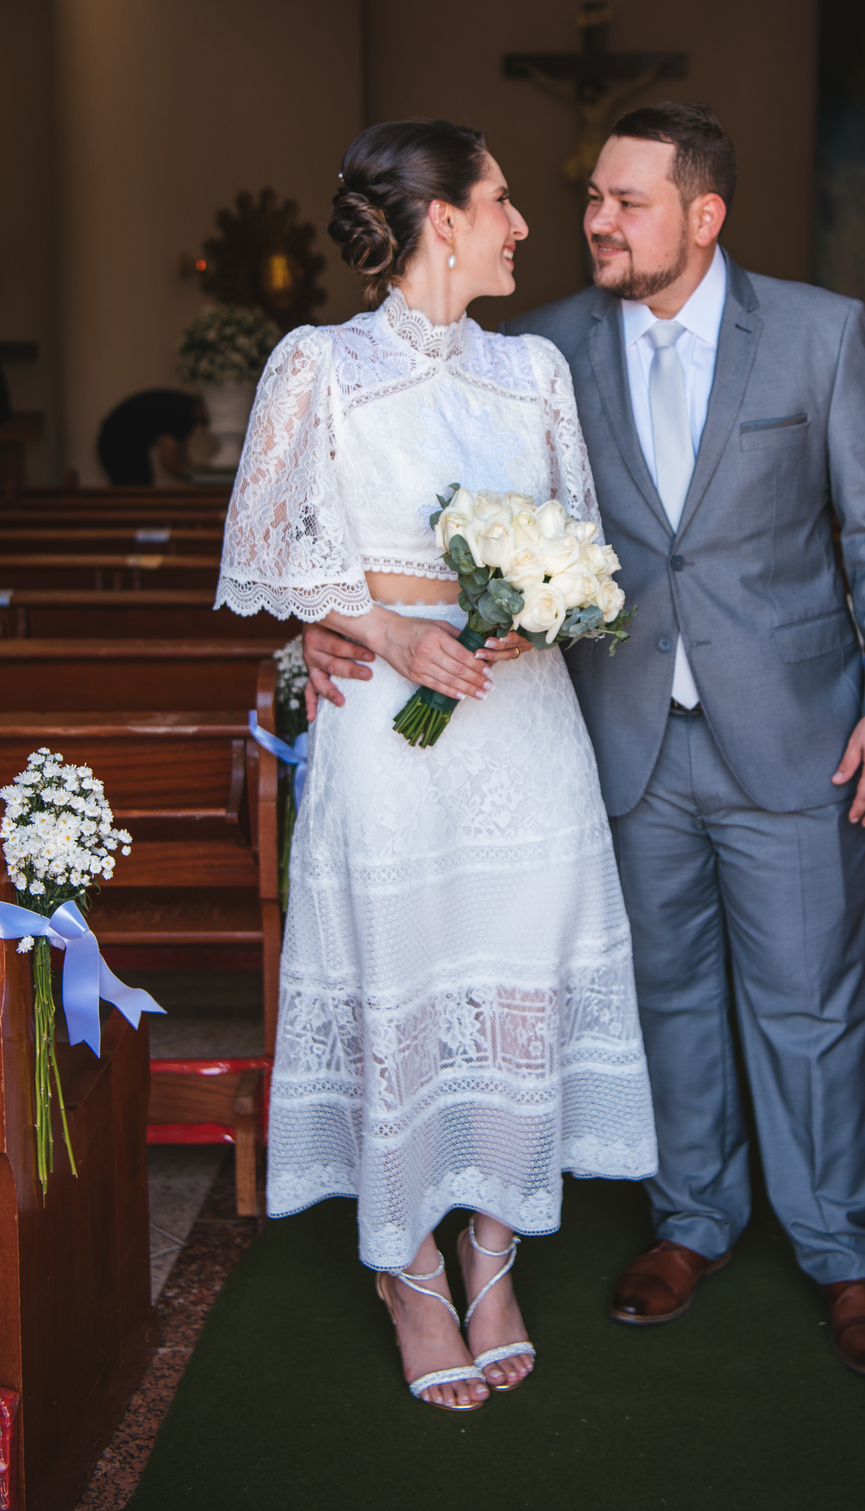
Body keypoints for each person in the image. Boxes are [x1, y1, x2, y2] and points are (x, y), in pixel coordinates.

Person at [305, 102, 865, 1380]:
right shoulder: (537, 348)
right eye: (591, 197)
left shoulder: (817, 334)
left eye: (626, 202)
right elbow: (423, 518)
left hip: (795, 732)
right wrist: (332, 625)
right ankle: (693, 1220)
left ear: (705, 215)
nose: (595, 220)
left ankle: (842, 1247)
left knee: (813, 1002)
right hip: (617, 735)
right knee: (667, 998)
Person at [215, 120, 656, 1411]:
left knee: (522, 973)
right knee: (398, 970)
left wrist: (545, 607)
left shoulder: (534, 370)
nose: (524, 223)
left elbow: (582, 543)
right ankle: (406, 1263)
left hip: (523, 724)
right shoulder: (319, 363)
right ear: (442, 220)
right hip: (388, 725)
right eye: (503, 199)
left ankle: (494, 1246)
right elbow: (267, 546)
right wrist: (377, 628)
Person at [97, 388, 206, 485]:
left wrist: (200, 476)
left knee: (141, 489)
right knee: (136, 491)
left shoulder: (184, 407)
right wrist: (203, 480)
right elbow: (170, 461)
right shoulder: (183, 412)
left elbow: (180, 456)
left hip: (127, 443)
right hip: (118, 443)